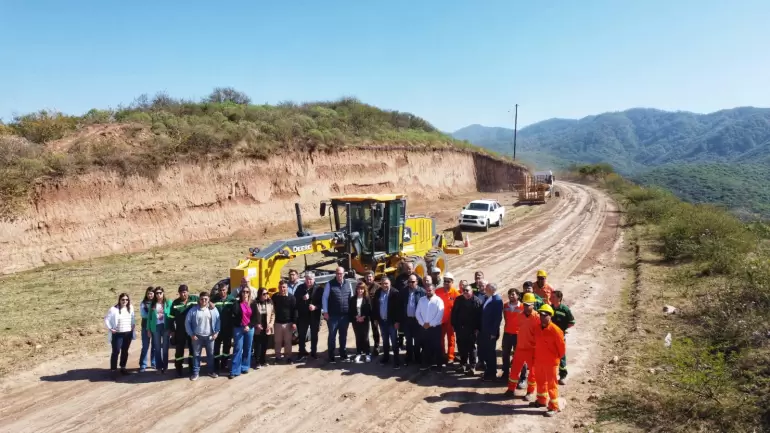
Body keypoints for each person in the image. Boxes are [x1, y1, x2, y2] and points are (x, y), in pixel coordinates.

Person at [532, 304, 566, 417]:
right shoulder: (537, 328)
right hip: (539, 360)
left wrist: (555, 358)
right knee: (540, 382)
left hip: (550, 362)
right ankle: (541, 400)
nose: (542, 317)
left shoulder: (556, 331)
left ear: (550, 316)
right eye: (540, 314)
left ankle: (554, 407)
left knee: (552, 385)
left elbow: (562, 350)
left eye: (544, 315)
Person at [506, 293, 541, 398]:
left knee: (532, 373)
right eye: (525, 304)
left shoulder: (537, 317)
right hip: (520, 348)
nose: (526, 307)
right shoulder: (520, 316)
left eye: (528, 305)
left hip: (532, 349)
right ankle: (511, 389)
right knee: (514, 370)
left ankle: (530, 392)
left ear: (533, 305)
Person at [184, 291, 221, 380]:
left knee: (210, 355)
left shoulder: (213, 309)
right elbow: (187, 322)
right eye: (202, 299)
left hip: (210, 336)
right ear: (199, 300)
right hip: (197, 337)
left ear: (208, 300)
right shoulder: (193, 310)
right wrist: (191, 334)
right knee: (196, 355)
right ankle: (196, 373)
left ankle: (210, 371)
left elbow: (218, 321)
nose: (204, 301)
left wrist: (216, 332)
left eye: (206, 299)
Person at [322, 266, 354, 363]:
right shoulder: (330, 284)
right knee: (332, 335)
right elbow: (325, 298)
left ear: (344, 274)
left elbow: (351, 298)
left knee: (343, 335)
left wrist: (352, 313)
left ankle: (343, 354)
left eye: (341, 273)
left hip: (345, 315)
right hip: (333, 316)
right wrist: (325, 312)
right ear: (335, 274)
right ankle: (331, 355)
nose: (339, 275)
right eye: (337, 273)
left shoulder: (348, 284)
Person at [451, 282, 483, 376]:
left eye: (467, 290)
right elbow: (454, 313)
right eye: (464, 290)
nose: (465, 292)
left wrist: (477, 328)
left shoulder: (477, 301)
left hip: (472, 329)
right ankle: (463, 364)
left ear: (471, 291)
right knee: (461, 347)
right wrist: (454, 325)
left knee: (472, 348)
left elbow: (479, 317)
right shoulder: (458, 299)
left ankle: (472, 366)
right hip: (460, 328)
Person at [168, 284, 199, 377]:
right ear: (179, 293)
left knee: (192, 349)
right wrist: (173, 331)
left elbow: (204, 302)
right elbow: (171, 318)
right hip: (180, 330)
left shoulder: (194, 299)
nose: (183, 294)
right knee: (179, 350)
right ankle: (178, 369)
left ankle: (191, 367)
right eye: (181, 293)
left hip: (192, 330)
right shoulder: (175, 303)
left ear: (188, 292)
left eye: (185, 292)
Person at [372, 276, 402, 369]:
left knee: (394, 341)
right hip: (382, 321)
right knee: (385, 341)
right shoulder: (378, 292)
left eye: (386, 283)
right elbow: (375, 307)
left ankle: (396, 360)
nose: (385, 285)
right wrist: (376, 319)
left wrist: (397, 321)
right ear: (381, 284)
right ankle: (386, 358)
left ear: (390, 283)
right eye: (383, 283)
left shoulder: (395, 293)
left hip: (392, 322)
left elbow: (398, 309)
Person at [104, 292, 136, 375]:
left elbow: (132, 317)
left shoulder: (130, 307)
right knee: (116, 351)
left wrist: (133, 325)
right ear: (119, 300)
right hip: (118, 334)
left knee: (125, 351)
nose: (125, 301)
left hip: (128, 333)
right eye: (123, 299)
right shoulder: (113, 309)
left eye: (126, 299)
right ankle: (113, 370)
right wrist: (111, 328)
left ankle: (123, 367)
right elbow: (107, 319)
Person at [415, 283, 444, 371]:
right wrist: (422, 323)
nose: (428, 291)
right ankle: (426, 363)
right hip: (423, 327)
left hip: (435, 327)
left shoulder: (438, 300)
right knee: (425, 346)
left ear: (434, 290)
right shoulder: (421, 300)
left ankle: (439, 365)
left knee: (437, 346)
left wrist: (430, 324)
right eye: (427, 290)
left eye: (430, 290)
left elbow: (440, 314)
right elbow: (417, 313)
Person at [230, 288, 257, 379]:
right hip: (239, 328)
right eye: (243, 292)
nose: (245, 293)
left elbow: (255, 317)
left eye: (247, 292)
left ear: (249, 293)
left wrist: (248, 326)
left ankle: (245, 367)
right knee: (237, 348)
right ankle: (234, 370)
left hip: (249, 328)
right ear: (241, 293)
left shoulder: (253, 304)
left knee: (247, 348)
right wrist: (242, 325)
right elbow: (234, 316)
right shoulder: (236, 304)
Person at [549, 290, 575, 385]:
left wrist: (562, 329)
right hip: (549, 337)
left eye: (553, 297)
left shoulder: (565, 309)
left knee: (561, 356)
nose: (550, 298)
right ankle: (550, 375)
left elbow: (572, 322)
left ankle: (563, 375)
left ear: (559, 298)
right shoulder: (549, 308)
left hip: (560, 337)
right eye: (551, 297)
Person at [501, 288, 527, 382]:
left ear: (518, 296)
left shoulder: (523, 307)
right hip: (507, 334)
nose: (511, 296)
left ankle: (523, 377)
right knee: (505, 354)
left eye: (513, 294)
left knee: (520, 356)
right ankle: (505, 373)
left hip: (518, 335)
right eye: (509, 294)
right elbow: (505, 318)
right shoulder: (505, 306)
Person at [479, 282, 503, 381]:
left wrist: (493, 333)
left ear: (492, 290)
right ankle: (489, 371)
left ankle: (492, 373)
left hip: (490, 332)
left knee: (490, 352)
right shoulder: (488, 298)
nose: (485, 289)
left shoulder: (497, 300)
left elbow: (497, 318)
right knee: (486, 351)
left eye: (487, 288)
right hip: (485, 331)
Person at [435, 272, 460, 364]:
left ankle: (450, 357)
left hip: (451, 320)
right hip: (440, 320)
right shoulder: (438, 292)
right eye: (444, 281)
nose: (446, 283)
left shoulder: (455, 293)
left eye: (448, 281)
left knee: (451, 339)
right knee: (440, 338)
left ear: (452, 282)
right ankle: (441, 355)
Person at [147, 287, 173, 374]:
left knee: (165, 348)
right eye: (157, 293)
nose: (158, 295)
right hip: (155, 327)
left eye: (160, 293)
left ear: (163, 293)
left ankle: (165, 367)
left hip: (166, 327)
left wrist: (172, 328)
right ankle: (159, 367)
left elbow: (172, 315)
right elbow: (149, 318)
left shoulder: (168, 302)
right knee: (157, 348)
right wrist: (148, 329)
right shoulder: (152, 304)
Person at [401, 274, 426, 366]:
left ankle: (417, 357)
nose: (411, 283)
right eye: (409, 282)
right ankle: (408, 357)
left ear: (417, 282)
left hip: (417, 321)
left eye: (413, 282)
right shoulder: (404, 292)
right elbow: (400, 306)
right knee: (408, 340)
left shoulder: (422, 292)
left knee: (417, 340)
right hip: (407, 320)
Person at [272, 280, 298, 363]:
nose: (282, 289)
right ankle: (278, 356)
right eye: (280, 287)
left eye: (284, 287)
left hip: (288, 323)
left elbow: (295, 310)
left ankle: (288, 357)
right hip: (277, 323)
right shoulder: (275, 297)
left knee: (288, 341)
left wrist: (294, 322)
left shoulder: (291, 297)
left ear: (287, 288)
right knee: (277, 341)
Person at [294, 272, 317, 361]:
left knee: (314, 335)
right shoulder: (300, 288)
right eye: (307, 279)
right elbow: (295, 300)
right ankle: (301, 351)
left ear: (314, 280)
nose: (309, 281)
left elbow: (322, 302)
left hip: (314, 315)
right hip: (303, 315)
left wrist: (315, 307)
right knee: (302, 334)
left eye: (310, 279)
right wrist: (302, 298)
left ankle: (314, 352)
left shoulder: (318, 288)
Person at [211, 283, 234, 371]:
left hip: (228, 328)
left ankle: (224, 364)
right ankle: (216, 365)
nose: (222, 292)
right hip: (217, 328)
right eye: (220, 290)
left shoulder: (231, 299)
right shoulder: (214, 299)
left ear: (227, 290)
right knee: (216, 347)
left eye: (224, 290)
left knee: (227, 347)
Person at [349, 281, 373, 363]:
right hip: (356, 321)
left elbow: (369, 310)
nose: (360, 291)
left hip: (365, 320)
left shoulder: (367, 298)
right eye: (359, 289)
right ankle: (359, 353)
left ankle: (367, 353)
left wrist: (363, 317)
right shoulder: (352, 299)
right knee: (358, 337)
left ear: (364, 290)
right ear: (356, 290)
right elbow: (351, 310)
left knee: (365, 337)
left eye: (362, 289)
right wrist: (356, 317)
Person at [253, 287, 275, 368]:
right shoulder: (255, 303)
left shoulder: (270, 302)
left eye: (267, 293)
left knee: (265, 344)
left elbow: (273, 314)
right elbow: (252, 316)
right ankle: (257, 361)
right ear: (259, 295)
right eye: (264, 294)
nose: (266, 295)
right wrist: (256, 324)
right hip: (258, 327)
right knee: (258, 345)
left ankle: (263, 360)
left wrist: (270, 324)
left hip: (267, 327)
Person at [362, 271, 381, 356]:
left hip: (374, 312)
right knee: (364, 331)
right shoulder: (362, 286)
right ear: (365, 278)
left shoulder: (378, 287)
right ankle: (366, 347)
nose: (369, 278)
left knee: (375, 330)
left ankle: (376, 346)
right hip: (365, 312)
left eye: (370, 277)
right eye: (367, 277)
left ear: (373, 277)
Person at [138, 287, 156, 372]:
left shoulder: (158, 302)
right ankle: (143, 364)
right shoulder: (143, 303)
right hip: (145, 327)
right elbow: (143, 315)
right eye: (148, 293)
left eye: (151, 293)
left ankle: (154, 362)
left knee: (155, 346)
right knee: (145, 346)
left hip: (156, 327)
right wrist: (153, 312)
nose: (150, 295)